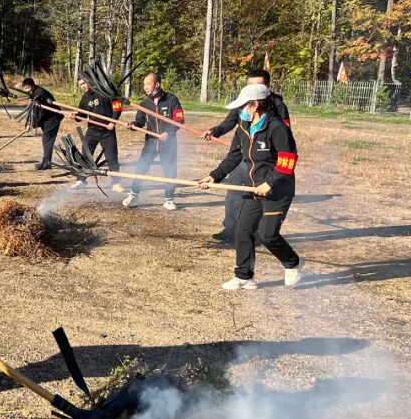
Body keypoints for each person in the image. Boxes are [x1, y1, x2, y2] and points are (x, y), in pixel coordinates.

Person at [197, 83, 301, 290]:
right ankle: (244, 276)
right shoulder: (243, 128)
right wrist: (214, 176)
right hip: (252, 188)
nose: (240, 111)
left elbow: (288, 161)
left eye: (243, 106)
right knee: (243, 229)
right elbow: (234, 156)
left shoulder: (277, 128)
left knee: (267, 235)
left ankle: (292, 263)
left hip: (278, 191)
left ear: (255, 105)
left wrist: (269, 183)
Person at [202, 68, 290, 243]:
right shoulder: (244, 104)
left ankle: (259, 234)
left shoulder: (277, 107)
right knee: (233, 193)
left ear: (266, 87)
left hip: (265, 163)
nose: (251, 89)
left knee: (261, 199)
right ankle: (230, 229)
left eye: (256, 86)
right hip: (243, 158)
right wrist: (215, 132)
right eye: (248, 85)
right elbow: (230, 123)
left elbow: (285, 143)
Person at [122, 73, 183, 210]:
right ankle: (133, 194)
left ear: (157, 85)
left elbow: (179, 120)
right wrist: (132, 125)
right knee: (141, 168)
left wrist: (169, 132)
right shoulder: (145, 103)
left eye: (148, 84)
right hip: (150, 143)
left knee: (170, 170)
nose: (145, 87)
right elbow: (139, 122)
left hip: (168, 144)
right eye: (144, 85)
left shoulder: (172, 100)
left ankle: (169, 199)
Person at [71, 76, 124, 192]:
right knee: (85, 155)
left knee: (112, 157)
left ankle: (116, 183)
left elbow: (117, 106)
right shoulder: (85, 97)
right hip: (92, 130)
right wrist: (75, 116)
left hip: (107, 131)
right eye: (80, 85)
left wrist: (113, 121)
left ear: (90, 81)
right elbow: (82, 114)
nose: (83, 86)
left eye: (84, 83)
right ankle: (81, 180)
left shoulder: (103, 92)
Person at [20, 77, 60, 170]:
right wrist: (29, 123)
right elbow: (32, 110)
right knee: (46, 139)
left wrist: (31, 124)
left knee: (48, 139)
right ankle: (45, 161)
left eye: (28, 88)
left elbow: (37, 111)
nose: (28, 91)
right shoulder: (33, 93)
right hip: (46, 118)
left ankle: (47, 163)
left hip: (53, 117)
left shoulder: (41, 93)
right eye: (25, 89)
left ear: (32, 85)